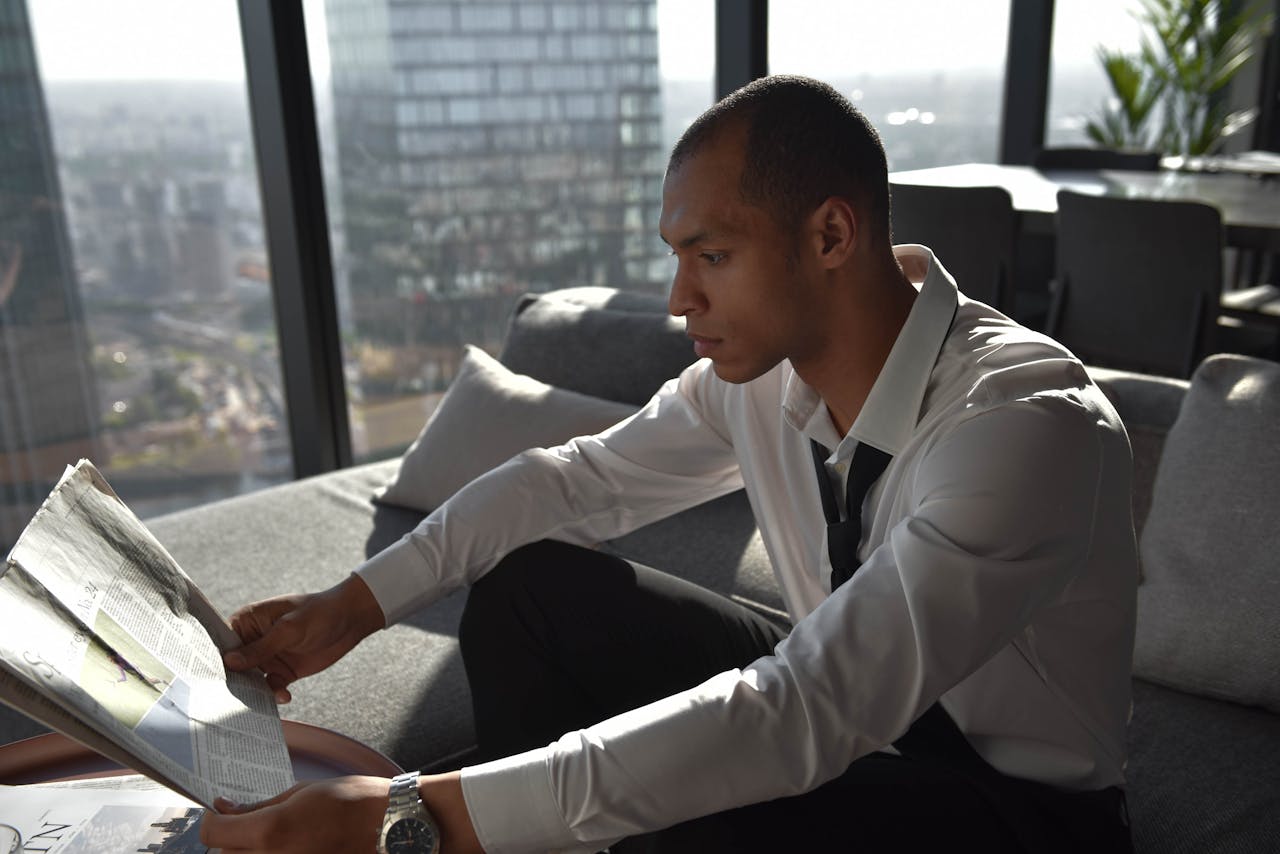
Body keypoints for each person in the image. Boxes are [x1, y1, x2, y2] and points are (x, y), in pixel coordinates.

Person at [200, 75, 1138, 853]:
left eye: (712, 254)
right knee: (530, 590)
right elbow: (572, 480)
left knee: (697, 806)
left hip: (1011, 804)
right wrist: (350, 608)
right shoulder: (757, 380)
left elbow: (805, 709)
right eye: (678, 256)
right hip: (841, 693)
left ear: (831, 237)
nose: (681, 297)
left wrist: (413, 815)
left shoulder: (1023, 425)